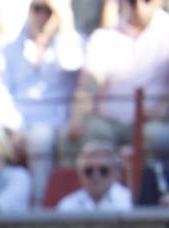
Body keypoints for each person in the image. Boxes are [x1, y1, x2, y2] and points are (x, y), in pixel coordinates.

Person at [0, 0, 85, 205]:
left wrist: (64, 20)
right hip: (14, 124)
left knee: (40, 139)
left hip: (54, 123)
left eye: (49, 11)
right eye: (37, 9)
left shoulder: (72, 41)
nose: (42, 16)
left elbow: (71, 63)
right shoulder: (10, 47)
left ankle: (41, 205)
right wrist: (13, 130)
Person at [65, 0, 169, 160]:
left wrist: (161, 108)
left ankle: (151, 185)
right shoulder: (105, 37)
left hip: (152, 124)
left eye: (147, 0)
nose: (139, 7)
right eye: (133, 2)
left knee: (158, 138)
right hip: (108, 124)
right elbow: (89, 84)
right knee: (90, 136)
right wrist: (77, 118)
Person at [56, 139, 134, 210]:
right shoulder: (67, 206)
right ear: (80, 174)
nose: (96, 176)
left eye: (103, 170)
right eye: (89, 171)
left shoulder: (129, 202)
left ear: (116, 173)